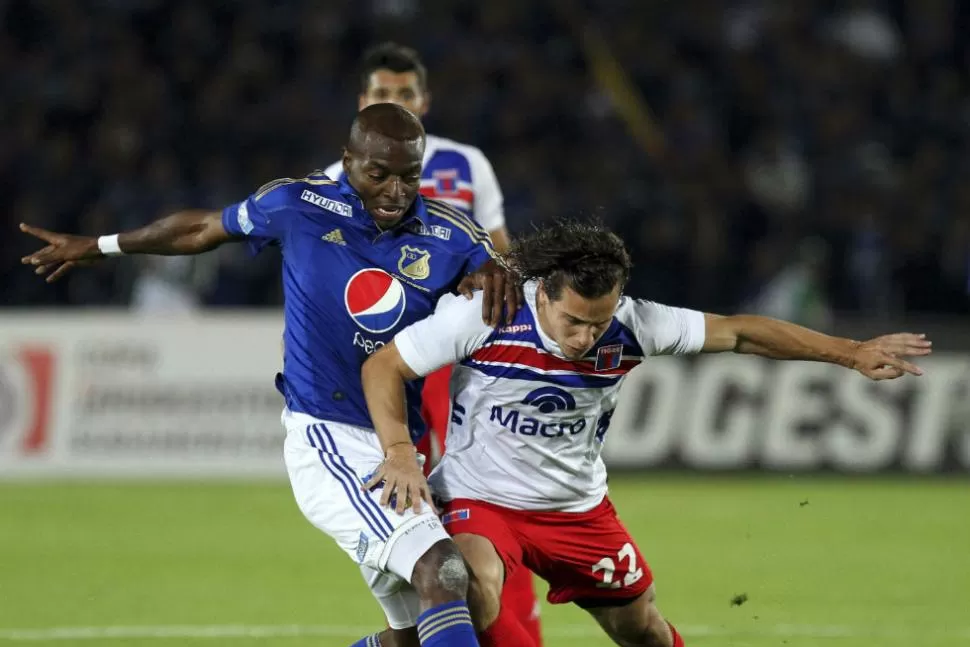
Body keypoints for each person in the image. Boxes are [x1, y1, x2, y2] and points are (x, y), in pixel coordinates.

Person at [20, 103, 522, 647]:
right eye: (378, 174)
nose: (395, 191)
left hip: (404, 446)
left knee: (423, 628)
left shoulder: (453, 234)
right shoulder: (299, 204)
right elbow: (201, 230)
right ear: (348, 161)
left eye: (409, 176)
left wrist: (504, 273)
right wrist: (102, 246)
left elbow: (511, 282)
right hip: (331, 440)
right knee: (441, 571)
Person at [358, 218, 933, 647]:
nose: (585, 337)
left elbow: (740, 334)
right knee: (469, 580)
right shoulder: (486, 314)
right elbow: (385, 365)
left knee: (642, 630)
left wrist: (851, 352)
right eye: (574, 321)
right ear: (546, 291)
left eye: (598, 323)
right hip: (479, 499)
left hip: (577, 510)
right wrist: (402, 453)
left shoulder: (636, 325)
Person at [324, 42, 542, 644]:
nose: (394, 101)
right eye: (382, 93)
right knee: (435, 495)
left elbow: (502, 251)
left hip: (464, 349)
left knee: (490, 483)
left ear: (424, 100)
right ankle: (453, 617)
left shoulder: (466, 163)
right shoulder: (338, 180)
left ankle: (506, 619)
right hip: (397, 353)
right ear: (364, 101)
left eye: (404, 93)